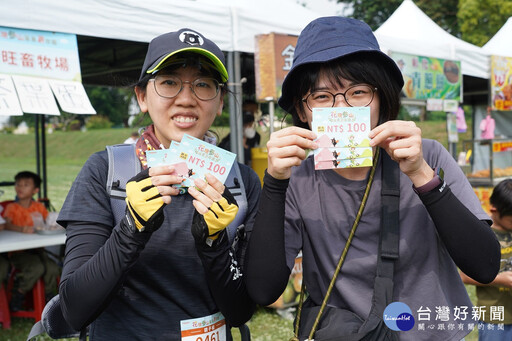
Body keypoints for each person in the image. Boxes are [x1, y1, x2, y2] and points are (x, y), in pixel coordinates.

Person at [245, 16, 500, 341]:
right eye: (322, 97)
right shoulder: (299, 180)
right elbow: (264, 290)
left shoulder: (429, 156)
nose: (341, 108)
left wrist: (421, 175)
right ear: (303, 110)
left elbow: (485, 266)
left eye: (358, 91)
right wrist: (274, 182)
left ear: (382, 98)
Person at [57, 28, 261, 340]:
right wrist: (130, 228)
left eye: (203, 85)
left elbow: (240, 310)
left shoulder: (241, 182)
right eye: (169, 82)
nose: (186, 99)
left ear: (220, 103)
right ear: (142, 97)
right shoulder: (105, 172)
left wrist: (215, 243)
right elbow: (75, 309)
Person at [460, 179, 512, 341]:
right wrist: (501, 280)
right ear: (494, 210)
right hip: (495, 318)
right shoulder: (482, 234)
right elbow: (464, 276)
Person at [3, 171, 61, 310]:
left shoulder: (38, 207)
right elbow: (6, 225)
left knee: (53, 268)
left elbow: (47, 222)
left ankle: (47, 298)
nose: (20, 188)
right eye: (18, 184)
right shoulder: (12, 208)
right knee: (37, 268)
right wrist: (22, 229)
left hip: (38, 249)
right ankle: (19, 293)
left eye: (25, 185)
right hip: (18, 252)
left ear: (35, 190)